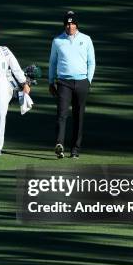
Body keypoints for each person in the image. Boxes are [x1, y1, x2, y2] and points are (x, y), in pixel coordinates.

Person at [48, 11, 95, 159]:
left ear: (77, 25)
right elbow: (53, 62)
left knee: (78, 116)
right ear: (64, 25)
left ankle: (75, 149)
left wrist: (88, 81)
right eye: (67, 24)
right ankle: (59, 144)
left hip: (82, 82)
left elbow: (91, 62)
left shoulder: (86, 39)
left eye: (72, 23)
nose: (70, 26)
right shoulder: (57, 41)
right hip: (63, 82)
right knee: (61, 114)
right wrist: (51, 81)